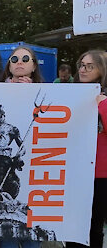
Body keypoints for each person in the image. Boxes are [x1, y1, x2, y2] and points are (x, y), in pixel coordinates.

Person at [0, 46, 43, 248]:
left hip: (35, 163)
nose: (19, 62)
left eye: (25, 58)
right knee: (8, 225)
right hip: (7, 165)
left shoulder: (47, 93)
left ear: (34, 66)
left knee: (31, 227)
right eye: (14, 59)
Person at [66, 50, 107, 248]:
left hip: (99, 172)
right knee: (72, 226)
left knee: (94, 226)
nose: (83, 69)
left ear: (101, 69)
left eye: (89, 66)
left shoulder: (105, 97)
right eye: (81, 65)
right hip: (73, 169)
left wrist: (103, 105)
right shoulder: (70, 92)